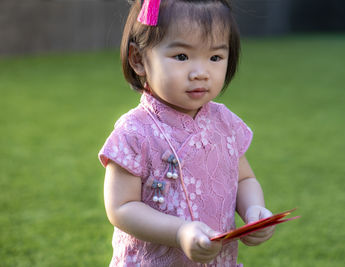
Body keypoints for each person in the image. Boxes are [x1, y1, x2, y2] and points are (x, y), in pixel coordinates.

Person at [99, 0, 275, 265]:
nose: (200, 73)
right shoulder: (135, 131)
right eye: (182, 56)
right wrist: (179, 231)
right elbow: (121, 207)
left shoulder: (224, 122)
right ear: (139, 60)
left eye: (215, 57)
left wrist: (254, 210)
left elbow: (244, 180)